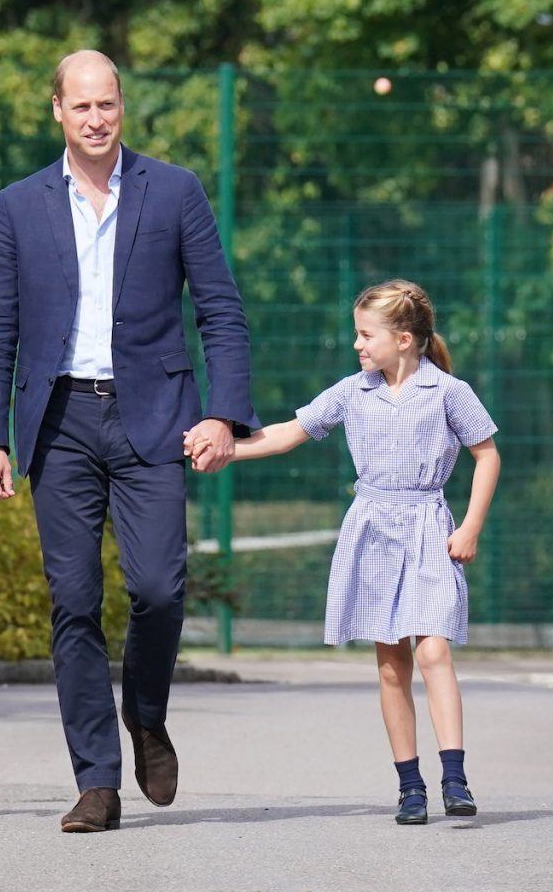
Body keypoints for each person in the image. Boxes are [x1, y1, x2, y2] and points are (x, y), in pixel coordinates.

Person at [0, 49, 258, 833]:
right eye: (81, 106)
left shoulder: (175, 190)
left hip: (156, 416)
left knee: (159, 588)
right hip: (59, 421)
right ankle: (96, 780)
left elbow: (221, 311)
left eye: (108, 104)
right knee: (74, 602)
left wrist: (223, 415)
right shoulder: (18, 205)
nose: (96, 119)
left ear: (122, 106)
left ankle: (147, 714)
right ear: (57, 111)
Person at [187, 278, 499, 825]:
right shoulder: (353, 391)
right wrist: (227, 449)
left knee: (434, 652)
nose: (357, 344)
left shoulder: (449, 392)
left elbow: (487, 455)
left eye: (365, 334)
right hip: (372, 532)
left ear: (403, 339)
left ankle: (455, 777)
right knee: (391, 665)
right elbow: (288, 432)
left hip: (428, 529)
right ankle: (410, 787)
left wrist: (470, 525)